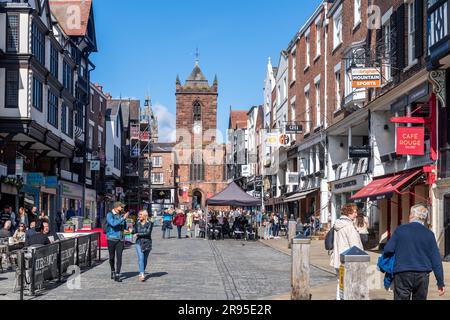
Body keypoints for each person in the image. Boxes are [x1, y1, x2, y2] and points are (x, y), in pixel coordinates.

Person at [383, 204, 445, 300]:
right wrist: (440, 282)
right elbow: (436, 259)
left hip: (402, 272)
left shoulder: (400, 230)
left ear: (412, 215)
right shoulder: (429, 234)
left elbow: (388, 249)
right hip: (422, 274)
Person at [330, 204, 364, 300]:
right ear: (349, 213)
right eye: (355, 212)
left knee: (340, 283)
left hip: (338, 259)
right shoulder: (349, 227)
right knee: (350, 284)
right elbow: (356, 247)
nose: (356, 214)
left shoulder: (338, 224)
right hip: (349, 261)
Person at [105, 202, 129, 283]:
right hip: (111, 238)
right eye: (121, 207)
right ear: (116, 207)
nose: (122, 208)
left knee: (119, 257)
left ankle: (118, 274)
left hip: (120, 239)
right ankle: (112, 270)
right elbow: (113, 223)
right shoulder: (109, 215)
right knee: (111, 257)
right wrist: (123, 218)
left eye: (122, 207)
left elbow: (124, 226)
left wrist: (128, 229)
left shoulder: (122, 215)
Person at [132, 210, 153, 282]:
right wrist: (131, 230)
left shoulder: (150, 223)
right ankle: (142, 274)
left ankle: (142, 270)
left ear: (145, 215)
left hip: (147, 242)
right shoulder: (136, 223)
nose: (139, 216)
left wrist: (137, 234)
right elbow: (134, 231)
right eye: (139, 215)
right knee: (141, 257)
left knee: (145, 259)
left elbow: (148, 232)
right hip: (139, 242)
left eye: (141, 214)